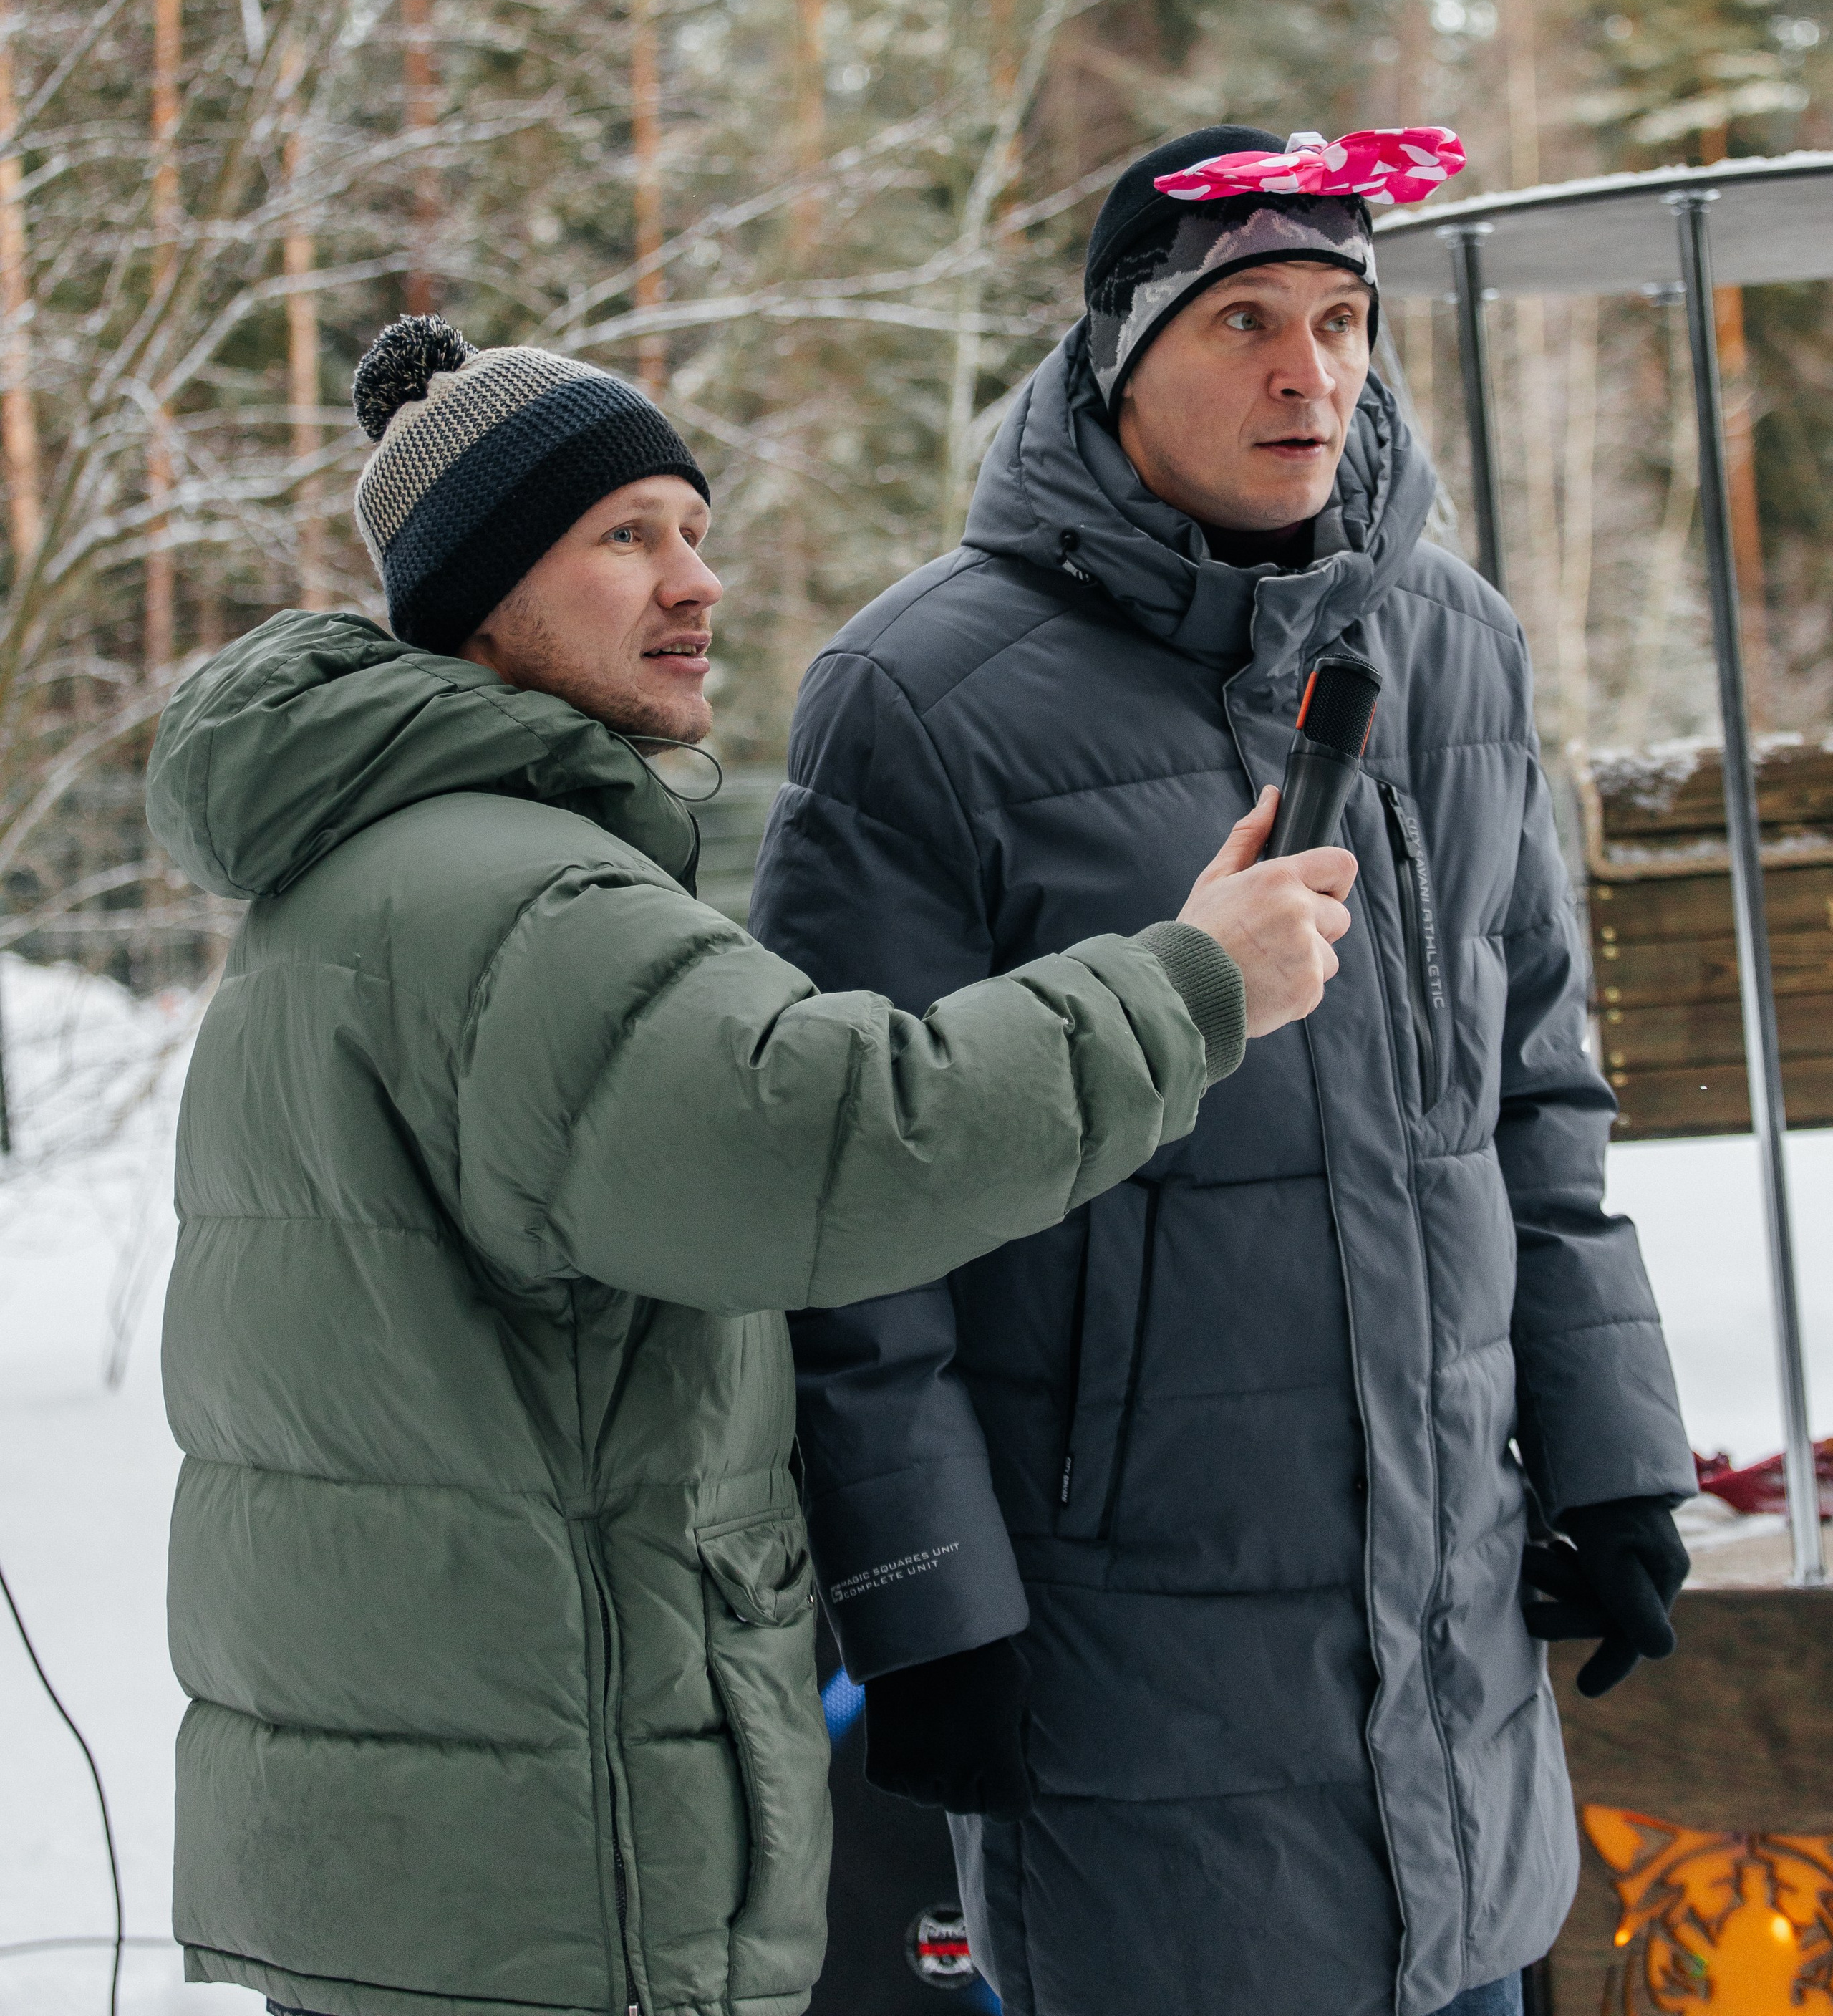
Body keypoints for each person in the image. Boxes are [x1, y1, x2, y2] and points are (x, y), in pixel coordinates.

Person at [146, 314, 1357, 2016]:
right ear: (477, 595)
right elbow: (837, 1143)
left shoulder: (352, 879)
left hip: (413, 1839)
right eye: (622, 538)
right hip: (551, 1865)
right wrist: (1193, 981)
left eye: (694, 530)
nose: (692, 582)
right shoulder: (522, 906)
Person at [750, 125, 1697, 2016]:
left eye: (1345, 318)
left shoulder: (1457, 646)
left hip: (1449, 1659)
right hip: (1129, 1661)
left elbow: (1534, 1089)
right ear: (1113, 350)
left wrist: (1616, 1455)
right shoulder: (920, 698)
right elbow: (849, 1201)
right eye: (1245, 318)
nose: (1310, 371)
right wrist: (926, 1602)